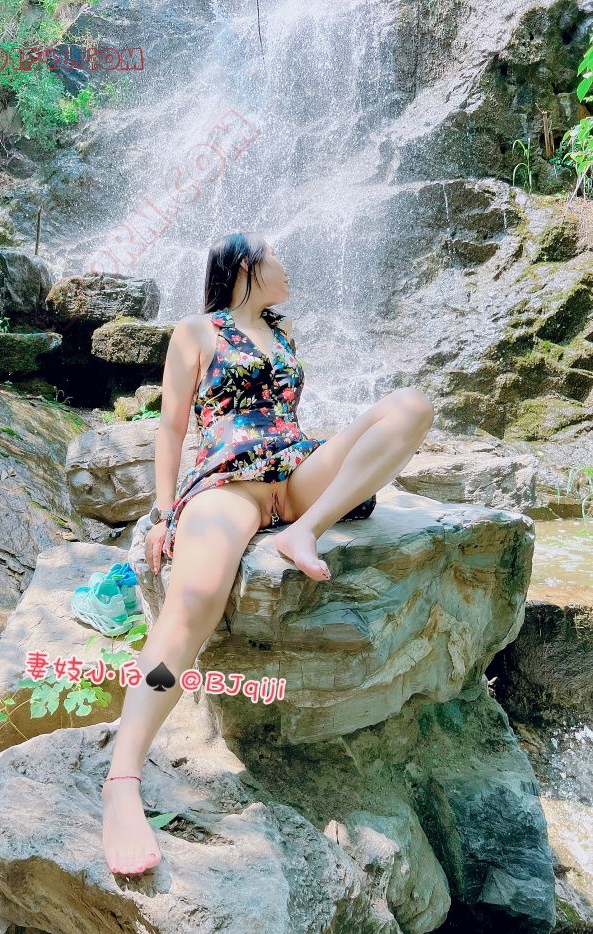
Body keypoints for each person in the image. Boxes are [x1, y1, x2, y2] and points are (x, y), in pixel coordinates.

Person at [101, 232, 434, 877]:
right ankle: (122, 781)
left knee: (411, 407)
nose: (287, 265)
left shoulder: (283, 337)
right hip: (227, 481)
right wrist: (164, 515)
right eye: (276, 256)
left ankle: (304, 530)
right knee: (194, 600)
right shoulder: (196, 332)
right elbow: (171, 427)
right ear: (246, 267)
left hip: (297, 473)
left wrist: (304, 505)